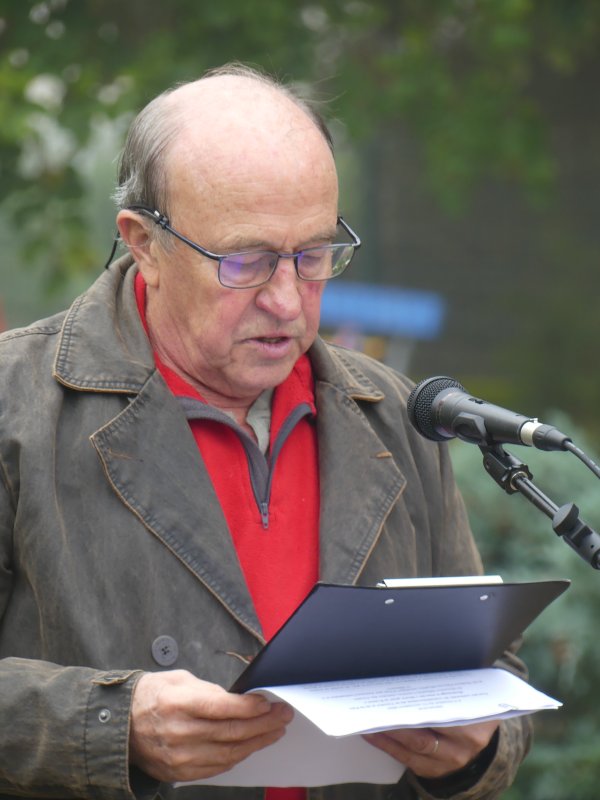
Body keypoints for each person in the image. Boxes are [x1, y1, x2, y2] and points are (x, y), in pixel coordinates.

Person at [0, 63, 531, 800]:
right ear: (143, 243)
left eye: (314, 255)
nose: (287, 300)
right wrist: (111, 725)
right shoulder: (17, 406)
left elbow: (494, 673)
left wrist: (476, 748)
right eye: (245, 261)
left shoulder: (397, 414)